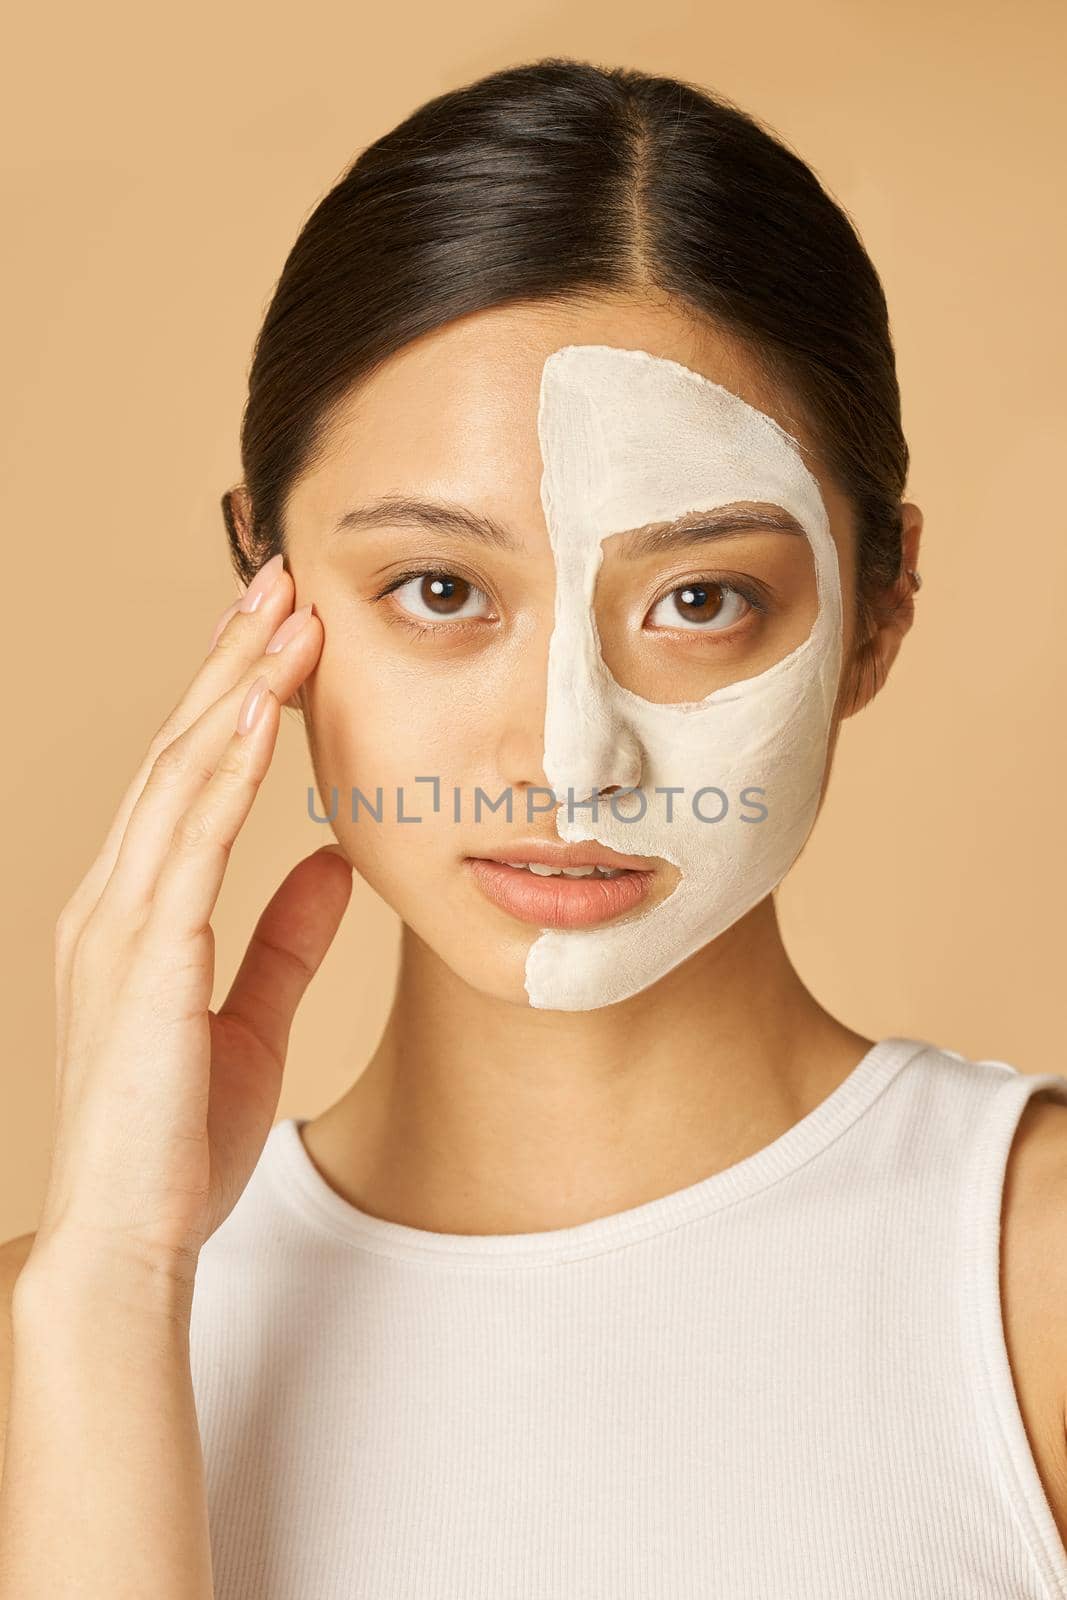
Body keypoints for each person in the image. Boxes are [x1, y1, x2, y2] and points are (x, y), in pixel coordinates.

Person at [1, 56, 1066, 1600]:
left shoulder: (1029, 1286)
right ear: (265, 585)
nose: (568, 759)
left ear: (882, 607)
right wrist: (111, 1293)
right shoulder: (54, 1338)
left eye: (701, 601)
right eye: (439, 591)